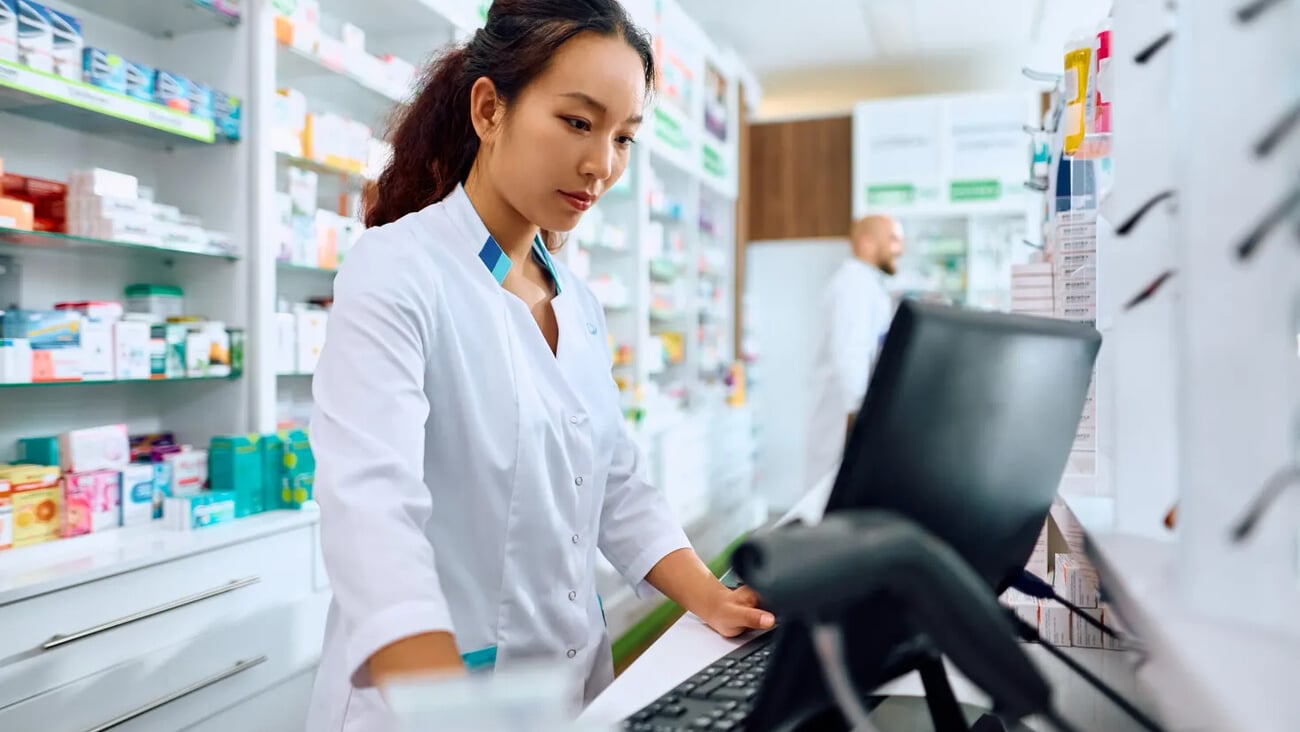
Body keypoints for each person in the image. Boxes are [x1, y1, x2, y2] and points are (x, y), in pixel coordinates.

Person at [304, 2, 775, 730]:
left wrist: (708, 596)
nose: (602, 165)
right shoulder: (397, 269)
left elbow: (615, 483)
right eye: (578, 123)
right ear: (490, 110)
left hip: (567, 693)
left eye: (623, 136)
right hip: (429, 702)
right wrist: (444, 708)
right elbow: (373, 514)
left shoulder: (577, 301)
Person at [804, 215, 905, 491]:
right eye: (893, 240)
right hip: (842, 416)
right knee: (826, 500)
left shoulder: (867, 285)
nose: (901, 249)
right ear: (866, 243)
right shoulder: (853, 285)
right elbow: (849, 355)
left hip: (850, 414)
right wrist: (861, 414)